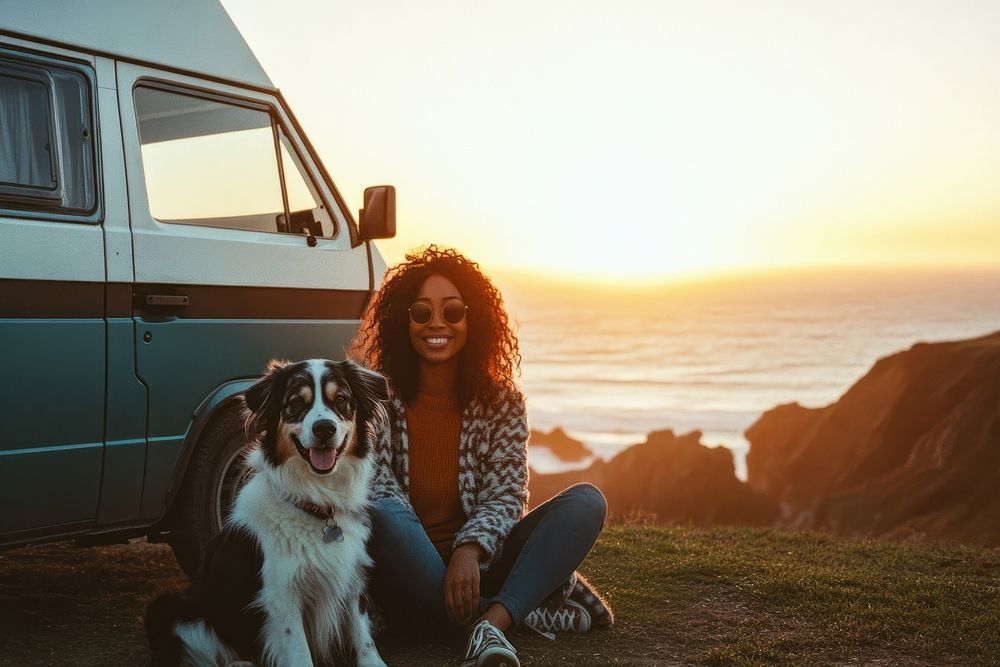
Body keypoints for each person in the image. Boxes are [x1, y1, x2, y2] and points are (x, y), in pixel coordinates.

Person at [350, 246, 613, 667]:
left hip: (482, 566)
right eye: (422, 313)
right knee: (381, 509)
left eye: (452, 311)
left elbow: (507, 495)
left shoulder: (502, 403)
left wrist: (469, 550)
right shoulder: (376, 397)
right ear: (404, 321)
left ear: (474, 319)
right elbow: (374, 487)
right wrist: (441, 562)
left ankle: (489, 621)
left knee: (586, 501)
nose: (437, 323)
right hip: (406, 568)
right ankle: (509, 612)